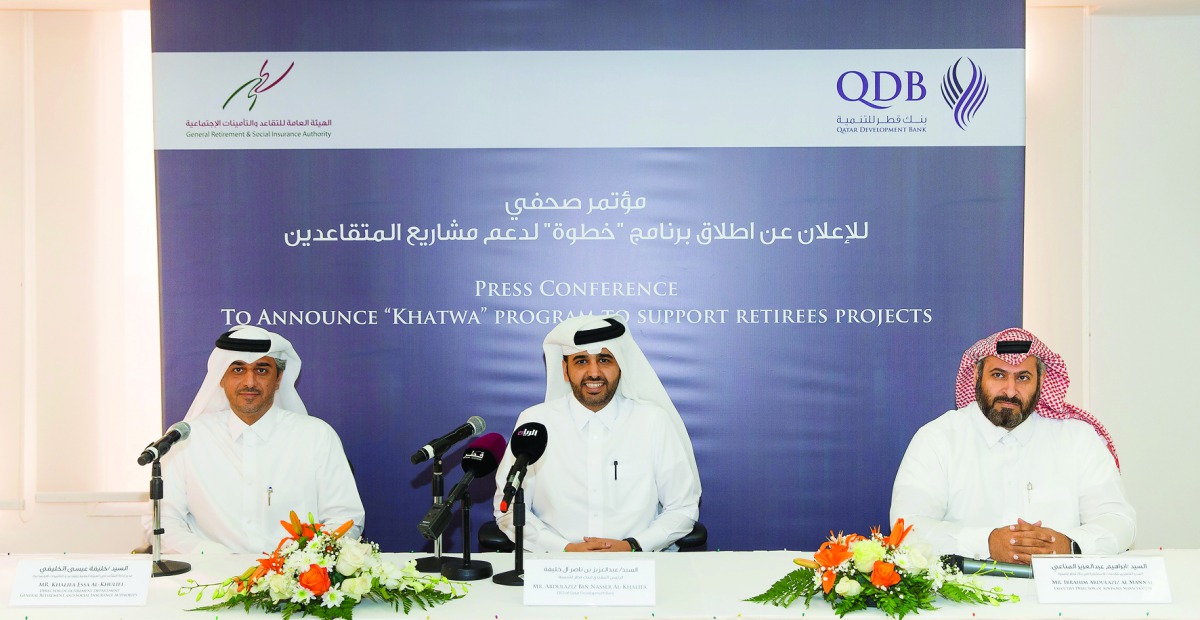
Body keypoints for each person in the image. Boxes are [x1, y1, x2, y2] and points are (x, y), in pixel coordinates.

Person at [890, 328, 1135, 564]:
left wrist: (1069, 545)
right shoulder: (937, 439)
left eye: (1023, 378)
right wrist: (986, 543)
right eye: (998, 375)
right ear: (977, 376)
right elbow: (908, 527)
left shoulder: (1078, 438)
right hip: (965, 599)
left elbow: (1119, 520)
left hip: (1057, 597)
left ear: (1041, 381)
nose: (1010, 390)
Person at [493, 314, 701, 552]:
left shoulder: (652, 421)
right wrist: (564, 548)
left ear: (620, 366)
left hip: (638, 566)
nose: (593, 373)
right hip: (554, 567)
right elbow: (507, 508)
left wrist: (632, 546)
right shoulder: (536, 423)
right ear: (565, 369)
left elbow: (683, 507)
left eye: (604, 360)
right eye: (581, 361)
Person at [156, 325, 365, 554]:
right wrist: (215, 557)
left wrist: (302, 564)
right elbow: (163, 522)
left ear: (278, 379)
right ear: (221, 378)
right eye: (237, 370)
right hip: (210, 579)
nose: (250, 382)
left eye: (262, 370)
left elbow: (345, 518)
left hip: (295, 584)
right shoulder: (187, 440)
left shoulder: (316, 436)